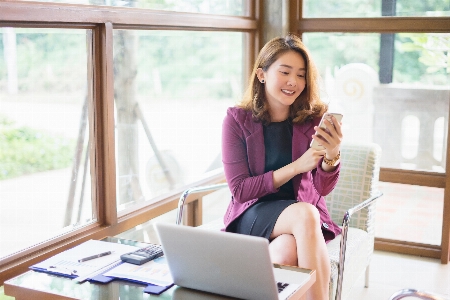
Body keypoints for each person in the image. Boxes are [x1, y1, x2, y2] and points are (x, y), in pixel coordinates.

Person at [221, 34, 343, 300]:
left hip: (301, 222)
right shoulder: (237, 120)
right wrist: (297, 167)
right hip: (254, 212)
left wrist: (331, 156)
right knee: (306, 214)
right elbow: (241, 190)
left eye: (301, 75)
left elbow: (322, 188)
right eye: (285, 72)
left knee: (286, 251)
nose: (293, 82)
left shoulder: (313, 120)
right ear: (262, 75)